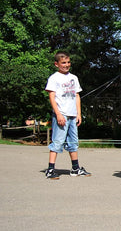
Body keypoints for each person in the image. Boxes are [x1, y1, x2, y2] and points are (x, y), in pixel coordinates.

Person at [44, 51, 91, 180]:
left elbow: (77, 96)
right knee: (57, 142)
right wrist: (58, 114)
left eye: (68, 62)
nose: (66, 65)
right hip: (62, 114)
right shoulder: (54, 78)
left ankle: (75, 168)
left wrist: (79, 114)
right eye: (63, 63)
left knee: (73, 142)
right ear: (56, 64)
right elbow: (52, 97)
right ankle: (50, 169)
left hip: (72, 115)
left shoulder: (73, 78)